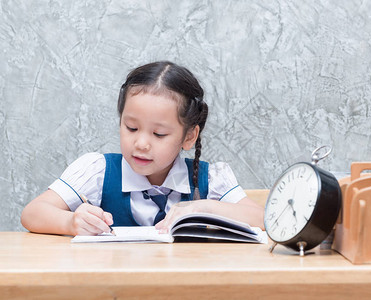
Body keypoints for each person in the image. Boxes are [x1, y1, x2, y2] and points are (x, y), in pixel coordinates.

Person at [21, 61, 264, 236]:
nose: (141, 143)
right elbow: (33, 213)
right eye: (131, 128)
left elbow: (266, 219)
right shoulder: (98, 171)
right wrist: (71, 222)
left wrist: (203, 207)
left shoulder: (209, 179)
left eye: (159, 134)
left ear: (189, 136)